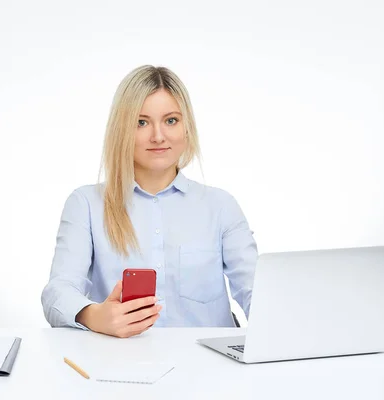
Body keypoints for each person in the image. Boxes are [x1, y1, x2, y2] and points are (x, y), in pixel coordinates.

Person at [41, 65, 258, 338]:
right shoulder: (86, 204)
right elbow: (57, 292)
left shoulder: (221, 206)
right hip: (119, 366)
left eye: (171, 121)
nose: (158, 136)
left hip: (210, 368)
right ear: (122, 130)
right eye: (141, 122)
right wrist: (93, 315)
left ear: (187, 127)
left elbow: (256, 291)